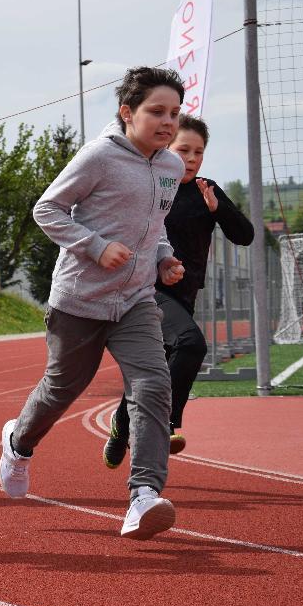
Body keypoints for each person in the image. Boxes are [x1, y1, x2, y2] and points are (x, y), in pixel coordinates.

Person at [0, 66, 187, 541]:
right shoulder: (99, 157)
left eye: (175, 114)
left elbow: (155, 225)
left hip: (136, 300)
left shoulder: (171, 166)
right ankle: (18, 443)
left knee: (152, 384)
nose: (168, 122)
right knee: (62, 389)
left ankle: (144, 495)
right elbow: (47, 209)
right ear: (127, 112)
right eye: (156, 112)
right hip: (81, 299)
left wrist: (163, 259)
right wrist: (95, 245)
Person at [103, 114, 254, 467]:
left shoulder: (206, 189)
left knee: (157, 364)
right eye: (183, 149)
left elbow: (244, 236)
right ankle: (167, 424)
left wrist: (220, 210)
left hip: (184, 296)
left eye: (199, 152)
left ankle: (123, 421)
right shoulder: (152, 184)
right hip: (144, 290)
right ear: (166, 148)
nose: (191, 158)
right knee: (191, 344)